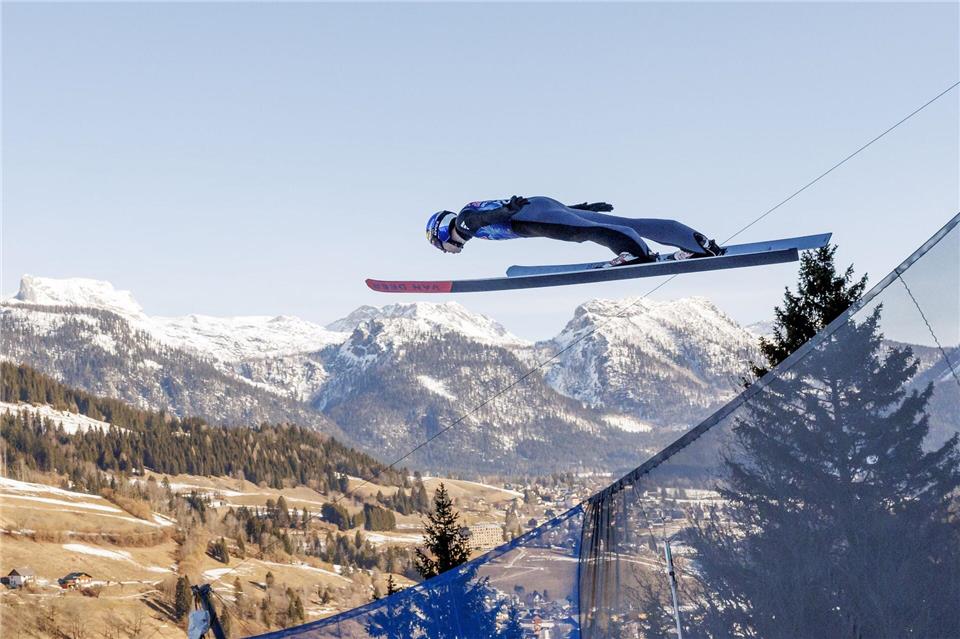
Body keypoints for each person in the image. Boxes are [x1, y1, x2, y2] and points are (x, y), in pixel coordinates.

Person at [425, 196, 724, 266]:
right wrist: (580, 207)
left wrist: (506, 212)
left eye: (440, 245)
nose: (446, 250)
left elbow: (483, 219)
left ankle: (636, 253)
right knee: (626, 222)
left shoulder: (464, 223)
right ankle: (696, 243)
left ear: (441, 233)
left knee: (581, 233)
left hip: (526, 216)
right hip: (539, 206)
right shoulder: (467, 215)